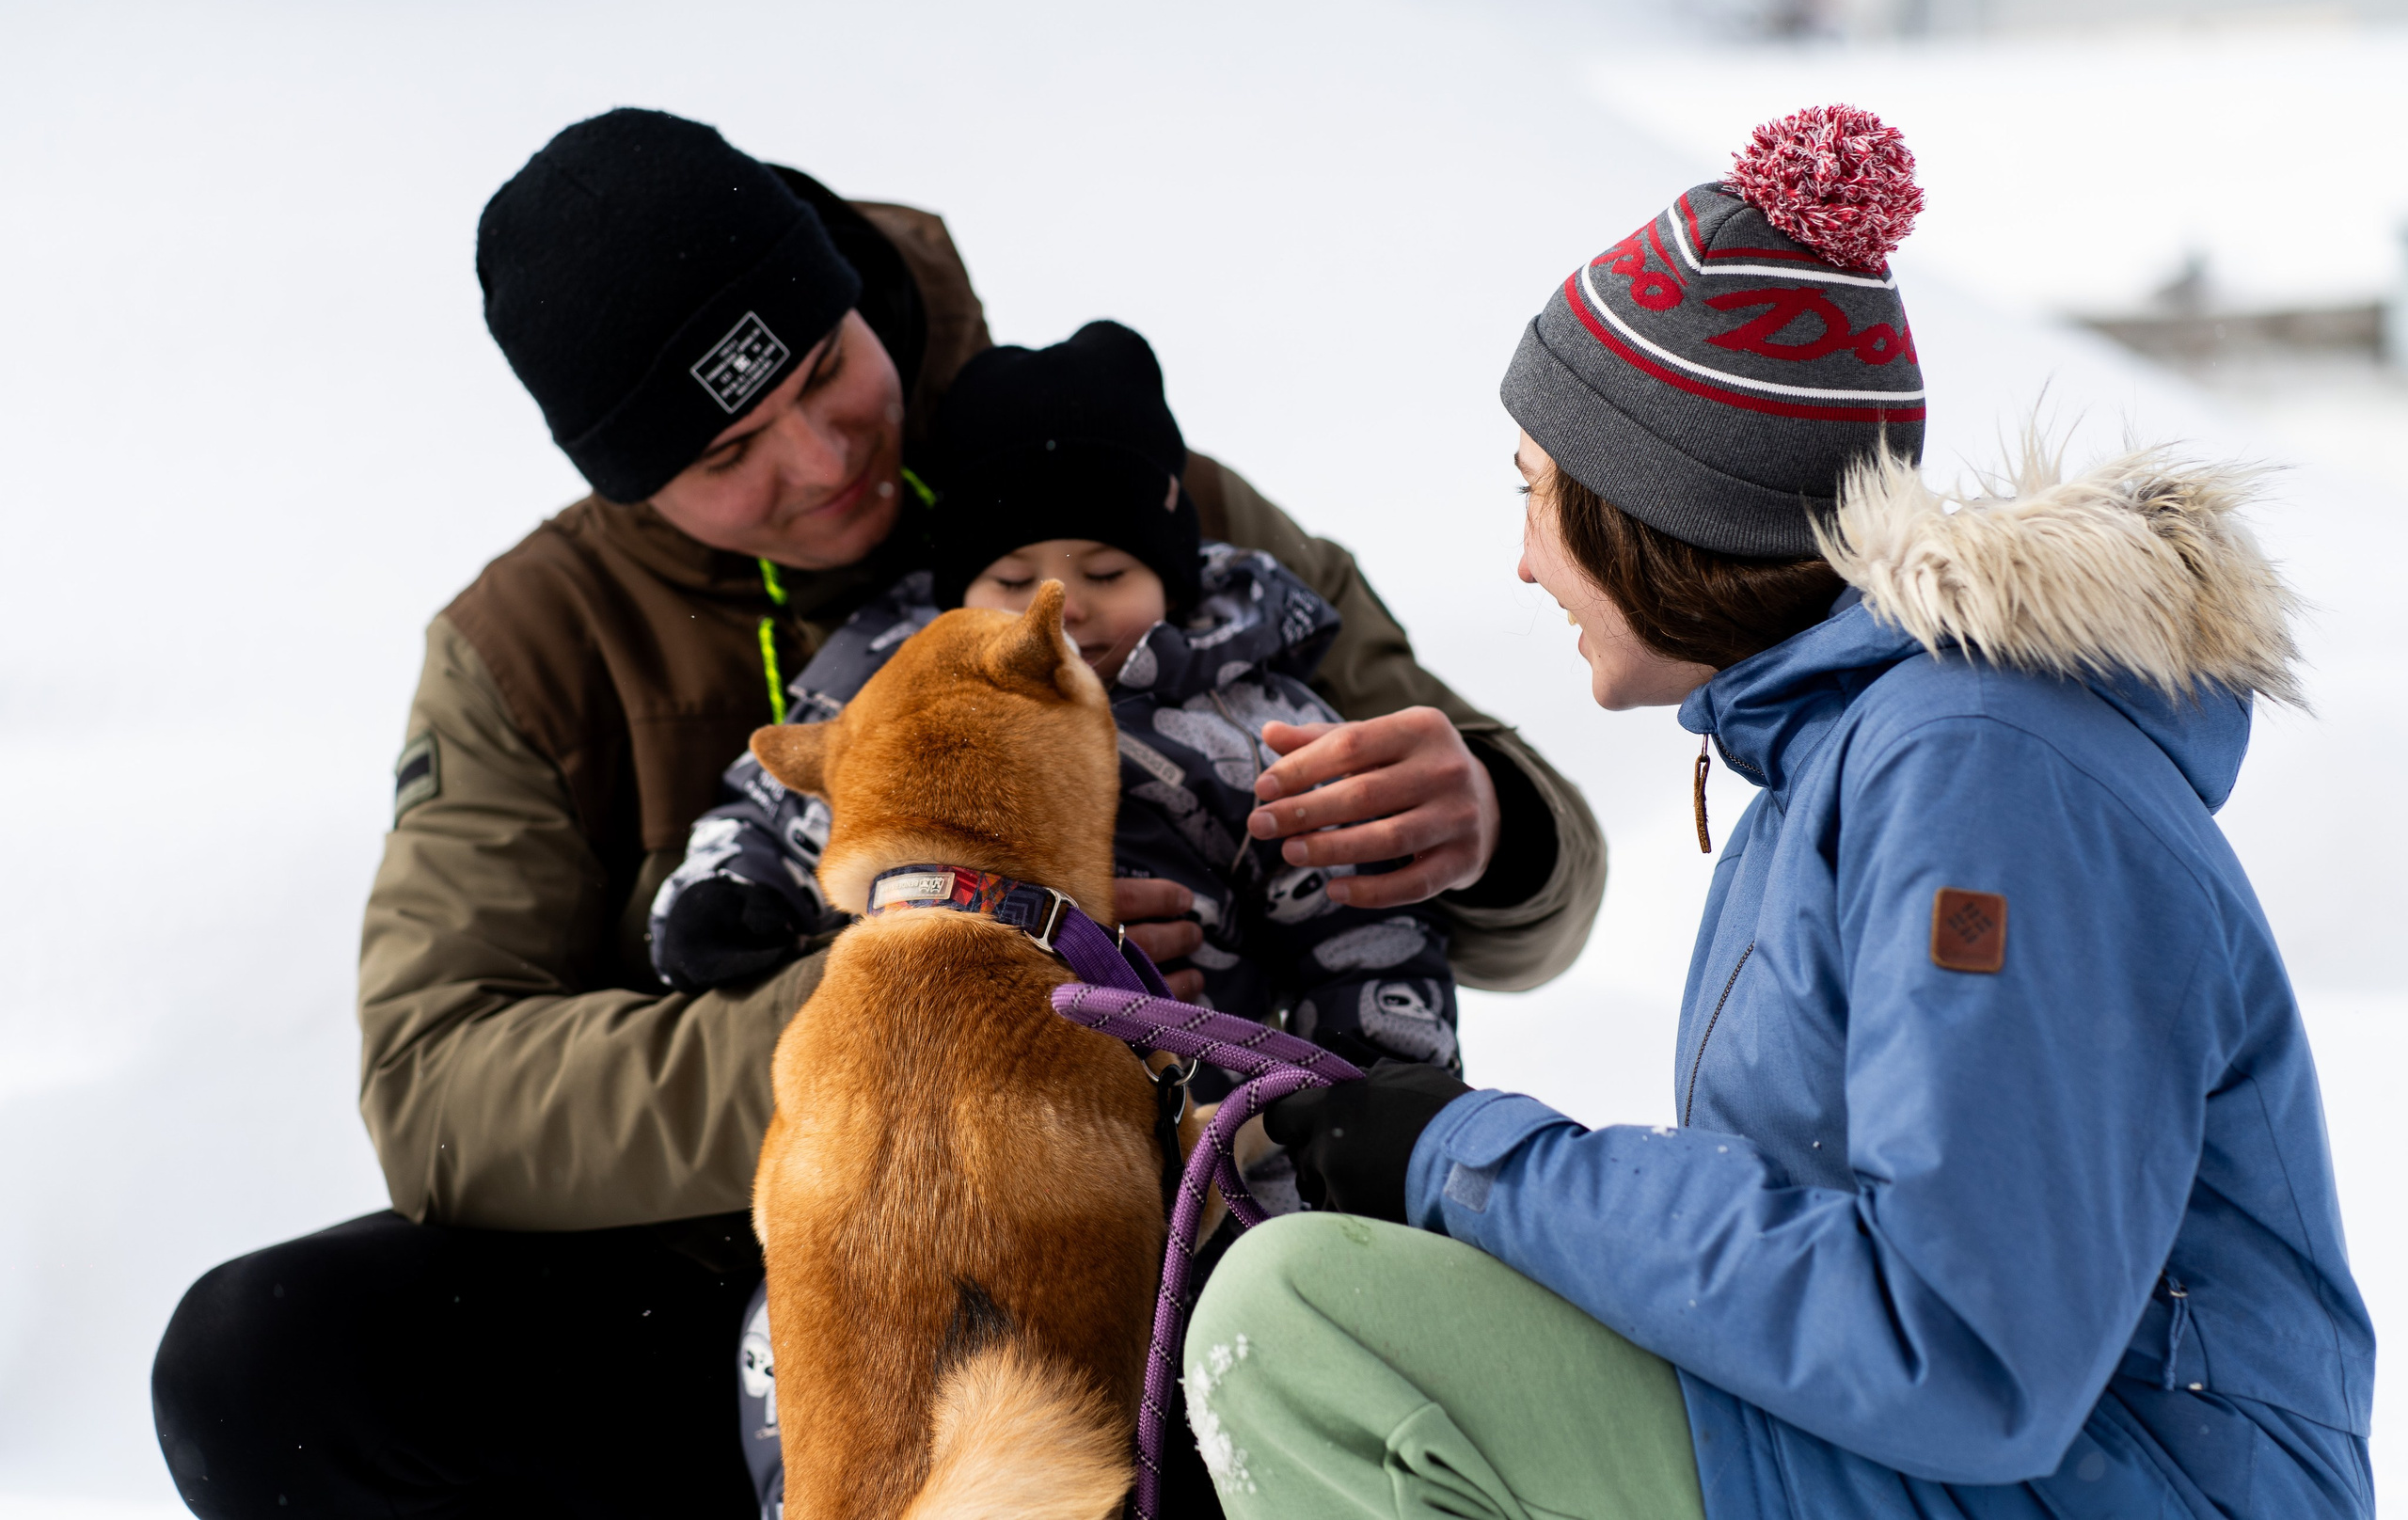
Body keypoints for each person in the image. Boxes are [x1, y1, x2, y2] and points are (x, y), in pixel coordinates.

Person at [149, 108, 1604, 1518]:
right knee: (261, 1361)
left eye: (825, 372)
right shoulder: (535, 643)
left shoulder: (1090, 466)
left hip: (1154, 1233)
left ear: (853, 296)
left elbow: (1513, 849)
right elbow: (441, 1087)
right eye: (727, 457)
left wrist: (1490, 817)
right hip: (757, 1273)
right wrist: (910, 1007)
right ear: (629, 485)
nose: (822, 458)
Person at [1188, 105, 2376, 1520]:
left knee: (1316, 1325)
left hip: (2130, 1484)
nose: (1518, 560)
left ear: (1659, 504)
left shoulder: (1985, 771)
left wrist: (1467, 1156)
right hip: (2001, 1472)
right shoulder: (1858, 758)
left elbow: (1964, 1341)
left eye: (1537, 494)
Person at [668, 316, 1465, 1519]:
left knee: (1221, 1353)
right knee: (808, 1318)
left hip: (1202, 1137)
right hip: (929, 1112)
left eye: (1107, 571)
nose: (1068, 607)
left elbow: (1349, 916)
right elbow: (787, 787)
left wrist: (1373, 1098)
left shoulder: (1250, 721)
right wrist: (723, 885)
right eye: (1013, 577)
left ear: (1175, 567)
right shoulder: (894, 677)